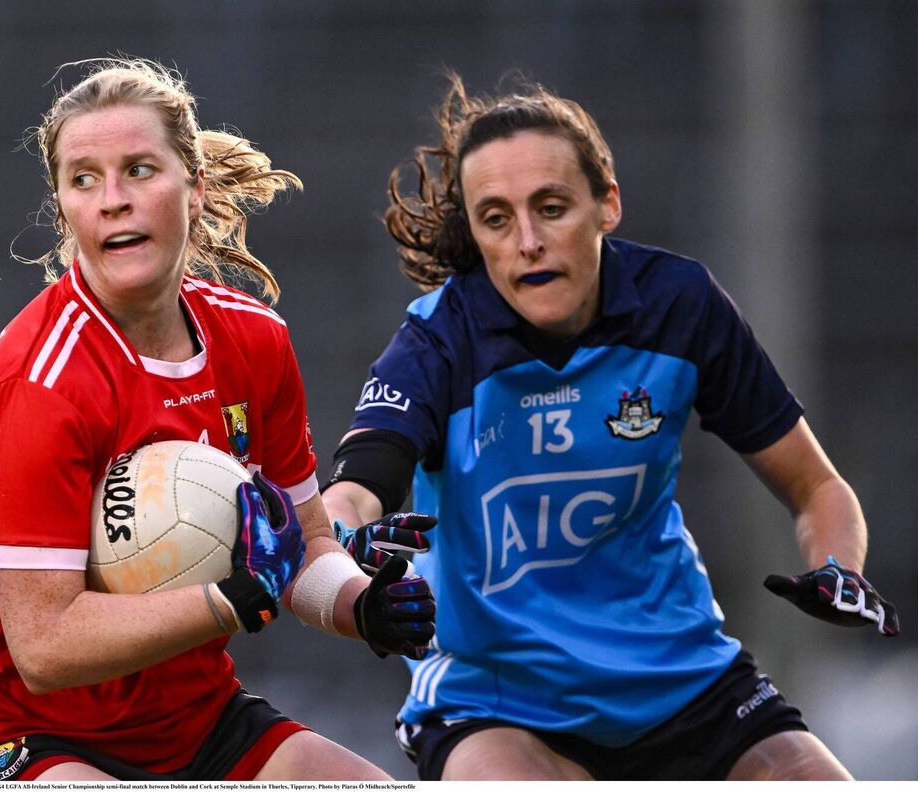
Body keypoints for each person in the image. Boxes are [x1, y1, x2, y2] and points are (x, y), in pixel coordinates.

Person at [321, 72, 899, 782]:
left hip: (686, 685)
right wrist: (350, 541)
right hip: (497, 703)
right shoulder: (439, 338)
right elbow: (354, 489)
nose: (528, 241)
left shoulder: (680, 308)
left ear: (607, 204)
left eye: (552, 206)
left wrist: (839, 567)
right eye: (496, 218)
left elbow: (816, 486)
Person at [0, 57, 434, 782]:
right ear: (63, 207)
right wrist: (226, 600)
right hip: (15, 730)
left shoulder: (255, 340)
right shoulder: (41, 383)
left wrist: (361, 604)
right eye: (84, 178)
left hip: (192, 723)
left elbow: (300, 545)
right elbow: (43, 647)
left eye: (139, 169)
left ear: (193, 190)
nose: (113, 200)